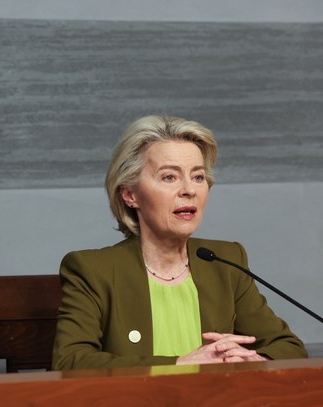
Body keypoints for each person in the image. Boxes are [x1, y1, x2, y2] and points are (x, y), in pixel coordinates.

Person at [52, 115, 308, 369]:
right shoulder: (93, 269)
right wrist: (180, 364)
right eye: (169, 177)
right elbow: (70, 362)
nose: (189, 190)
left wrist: (254, 359)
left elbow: (288, 347)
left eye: (197, 177)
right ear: (130, 195)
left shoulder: (226, 261)